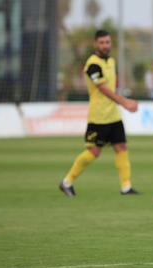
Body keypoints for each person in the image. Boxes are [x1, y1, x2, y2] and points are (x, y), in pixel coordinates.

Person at [59, 30, 139, 197]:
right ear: (95, 44)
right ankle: (67, 182)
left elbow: (113, 85)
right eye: (102, 42)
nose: (105, 45)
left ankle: (126, 187)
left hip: (113, 115)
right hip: (99, 117)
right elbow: (103, 89)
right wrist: (125, 102)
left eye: (107, 42)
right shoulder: (92, 64)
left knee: (121, 147)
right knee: (94, 152)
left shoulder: (111, 61)